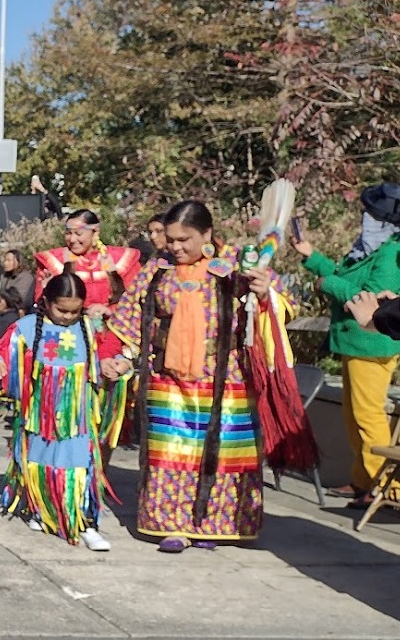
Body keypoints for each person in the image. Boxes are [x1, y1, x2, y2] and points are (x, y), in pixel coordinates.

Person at [107, 200, 305, 554]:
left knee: (223, 453)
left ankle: (217, 523)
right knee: (172, 451)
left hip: (225, 376)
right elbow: (130, 317)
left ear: (207, 234)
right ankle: (174, 525)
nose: (176, 247)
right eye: (170, 239)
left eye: (185, 239)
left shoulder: (237, 265)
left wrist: (263, 293)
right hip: (169, 377)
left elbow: (282, 306)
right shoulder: (158, 267)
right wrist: (122, 358)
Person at [0, 264, 127, 551]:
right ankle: (41, 509)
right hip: (40, 415)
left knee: (78, 466)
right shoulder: (27, 327)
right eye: (62, 310)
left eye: (75, 311)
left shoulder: (89, 327)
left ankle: (84, 521)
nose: (68, 317)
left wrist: (119, 363)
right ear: (47, 302)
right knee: (40, 463)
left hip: (78, 416)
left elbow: (111, 350)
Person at [293, 182, 400, 508]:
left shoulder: (393, 252)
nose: (363, 218)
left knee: (368, 417)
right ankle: (363, 482)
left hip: (371, 343)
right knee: (354, 417)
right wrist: (312, 258)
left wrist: (327, 283)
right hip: (355, 342)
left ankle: (386, 488)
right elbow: (347, 275)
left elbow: (370, 299)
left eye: (369, 213)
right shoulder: (374, 244)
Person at [33, 209, 141, 318]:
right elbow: (42, 304)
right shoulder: (53, 261)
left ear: (96, 231)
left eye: (78, 233)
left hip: (114, 327)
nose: (72, 239)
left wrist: (110, 310)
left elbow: (135, 298)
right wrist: (45, 291)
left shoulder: (122, 258)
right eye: (68, 233)